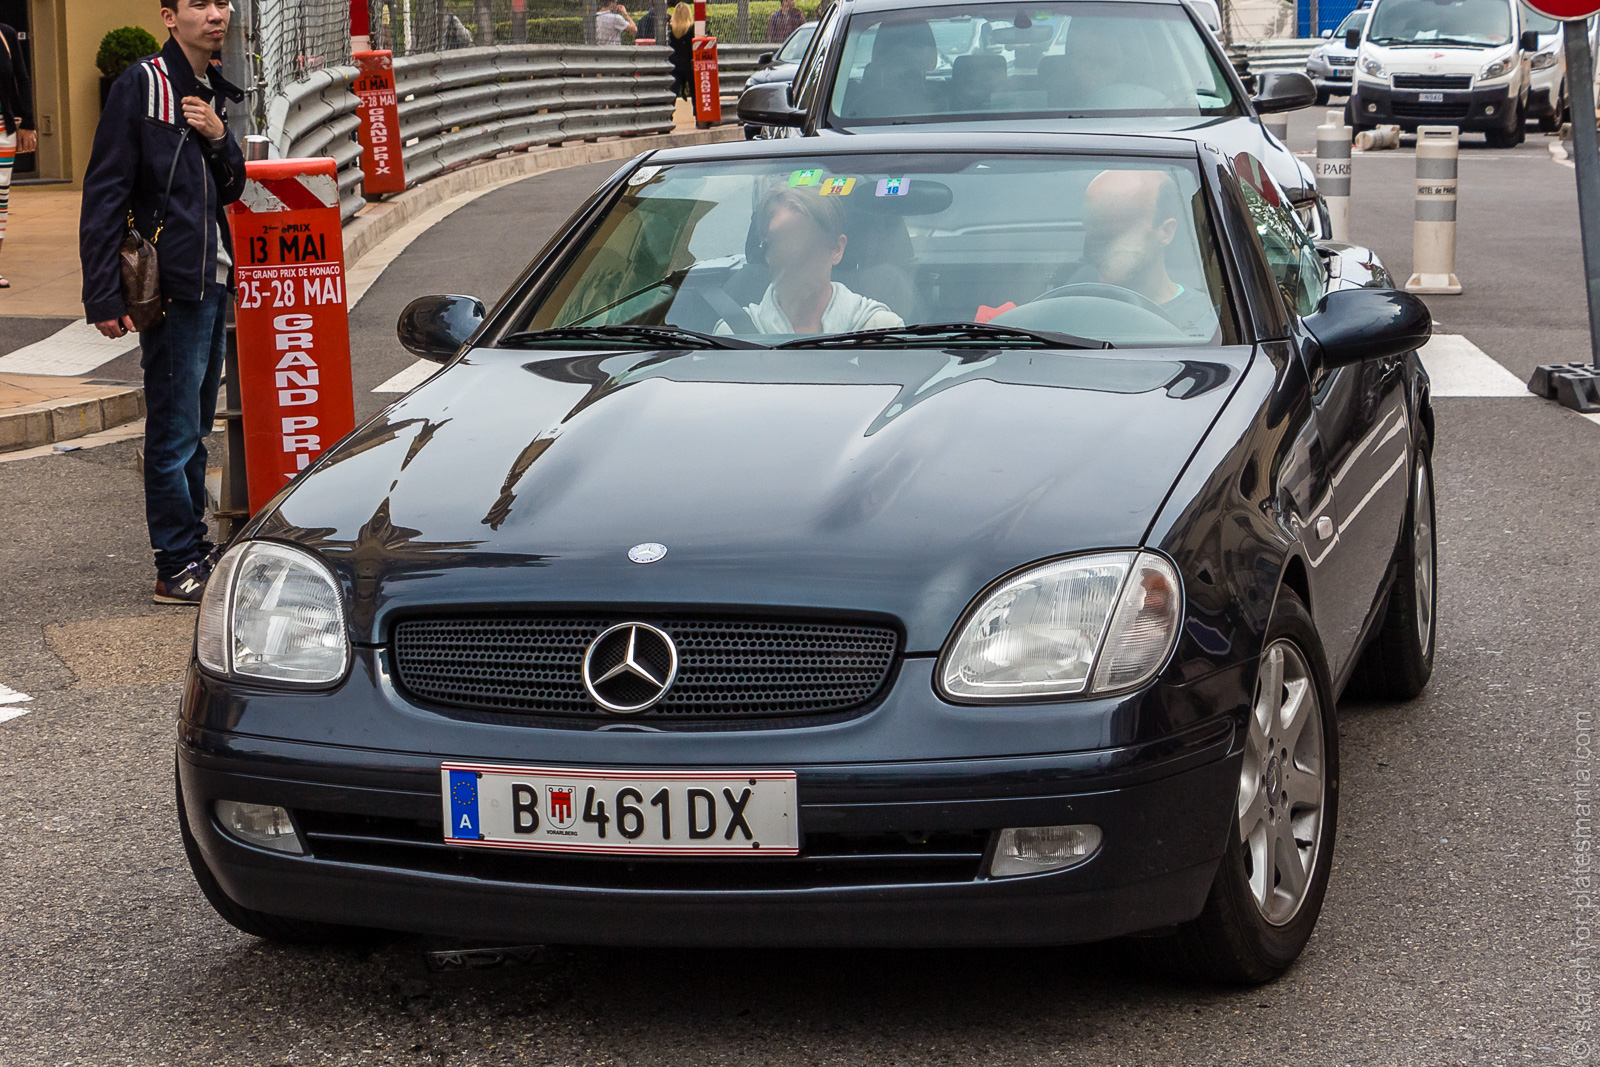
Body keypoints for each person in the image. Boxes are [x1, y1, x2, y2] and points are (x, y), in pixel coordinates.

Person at [79, 0, 246, 605]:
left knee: (195, 427)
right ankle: (175, 562)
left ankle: (194, 547)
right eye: (199, 4)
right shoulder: (143, 85)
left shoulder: (210, 90)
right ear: (169, 16)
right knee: (174, 432)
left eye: (222, 2)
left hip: (211, 278)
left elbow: (232, 187)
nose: (217, 14)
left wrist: (219, 136)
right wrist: (101, 292)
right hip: (172, 282)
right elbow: (104, 190)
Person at [721, 187, 903, 335]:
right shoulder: (731, 336)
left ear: (837, 249)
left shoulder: (880, 330)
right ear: (766, 252)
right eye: (781, 242)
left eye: (808, 242)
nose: (794, 255)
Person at [1081, 169, 1215, 335]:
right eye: (1093, 231)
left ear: (1166, 232)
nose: (1098, 245)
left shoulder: (1210, 324)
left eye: (1116, 232)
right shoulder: (1068, 312)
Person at [0, 21, 37, 290]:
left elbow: (21, 79)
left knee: (0, 199)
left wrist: (29, 123)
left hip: (3, 128)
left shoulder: (6, 34)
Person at [668, 2, 694, 98]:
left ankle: (669, 110)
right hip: (690, 65)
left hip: (674, 64)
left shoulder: (670, 29)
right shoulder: (692, 29)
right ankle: (697, 111)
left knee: (673, 91)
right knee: (695, 91)